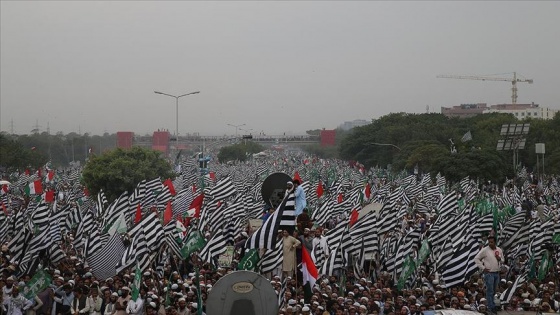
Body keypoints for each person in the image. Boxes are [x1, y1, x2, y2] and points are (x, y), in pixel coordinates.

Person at [474, 235, 503, 314]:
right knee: (489, 291)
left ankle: (492, 305)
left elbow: (503, 260)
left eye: (492, 242)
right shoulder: (485, 250)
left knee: (493, 291)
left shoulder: (499, 250)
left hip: (497, 273)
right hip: (489, 273)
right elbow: (476, 258)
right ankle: (491, 307)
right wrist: (483, 268)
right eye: (489, 242)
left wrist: (499, 259)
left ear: (495, 242)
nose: (490, 243)